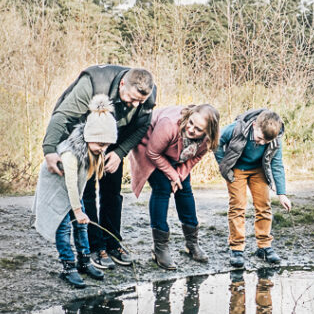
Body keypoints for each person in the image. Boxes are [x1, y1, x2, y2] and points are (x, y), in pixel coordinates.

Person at [42, 64, 157, 270]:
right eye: (131, 99)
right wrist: (49, 149)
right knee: (86, 192)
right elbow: (62, 116)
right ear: (122, 84)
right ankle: (96, 247)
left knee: (112, 191)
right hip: (84, 136)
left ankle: (112, 243)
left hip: (114, 138)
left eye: (139, 101)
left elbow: (142, 127)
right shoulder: (93, 82)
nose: (134, 105)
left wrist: (120, 152)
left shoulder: (147, 95)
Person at [33, 95, 116, 288]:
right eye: (99, 144)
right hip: (56, 188)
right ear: (88, 137)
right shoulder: (70, 154)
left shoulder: (93, 152)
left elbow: (83, 182)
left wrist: (80, 209)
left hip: (71, 191)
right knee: (64, 227)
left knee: (82, 225)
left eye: (106, 145)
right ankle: (68, 267)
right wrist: (77, 210)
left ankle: (84, 261)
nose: (102, 149)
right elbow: (71, 183)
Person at [129, 104, 221, 269]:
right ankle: (160, 248)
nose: (191, 129)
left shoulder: (207, 141)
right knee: (162, 188)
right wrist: (171, 175)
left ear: (208, 132)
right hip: (149, 147)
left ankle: (192, 243)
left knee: (184, 188)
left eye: (198, 129)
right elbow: (152, 152)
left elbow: (193, 159)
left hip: (178, 155)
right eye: (191, 123)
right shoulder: (169, 124)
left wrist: (179, 176)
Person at [213, 108, 292, 268]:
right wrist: (224, 166)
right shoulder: (236, 128)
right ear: (255, 125)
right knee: (238, 207)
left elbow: (276, 164)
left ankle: (264, 247)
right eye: (259, 138)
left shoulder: (275, 138)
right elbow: (216, 142)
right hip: (236, 169)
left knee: (264, 207)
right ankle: (236, 249)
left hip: (259, 170)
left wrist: (282, 193)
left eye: (265, 142)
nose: (261, 143)